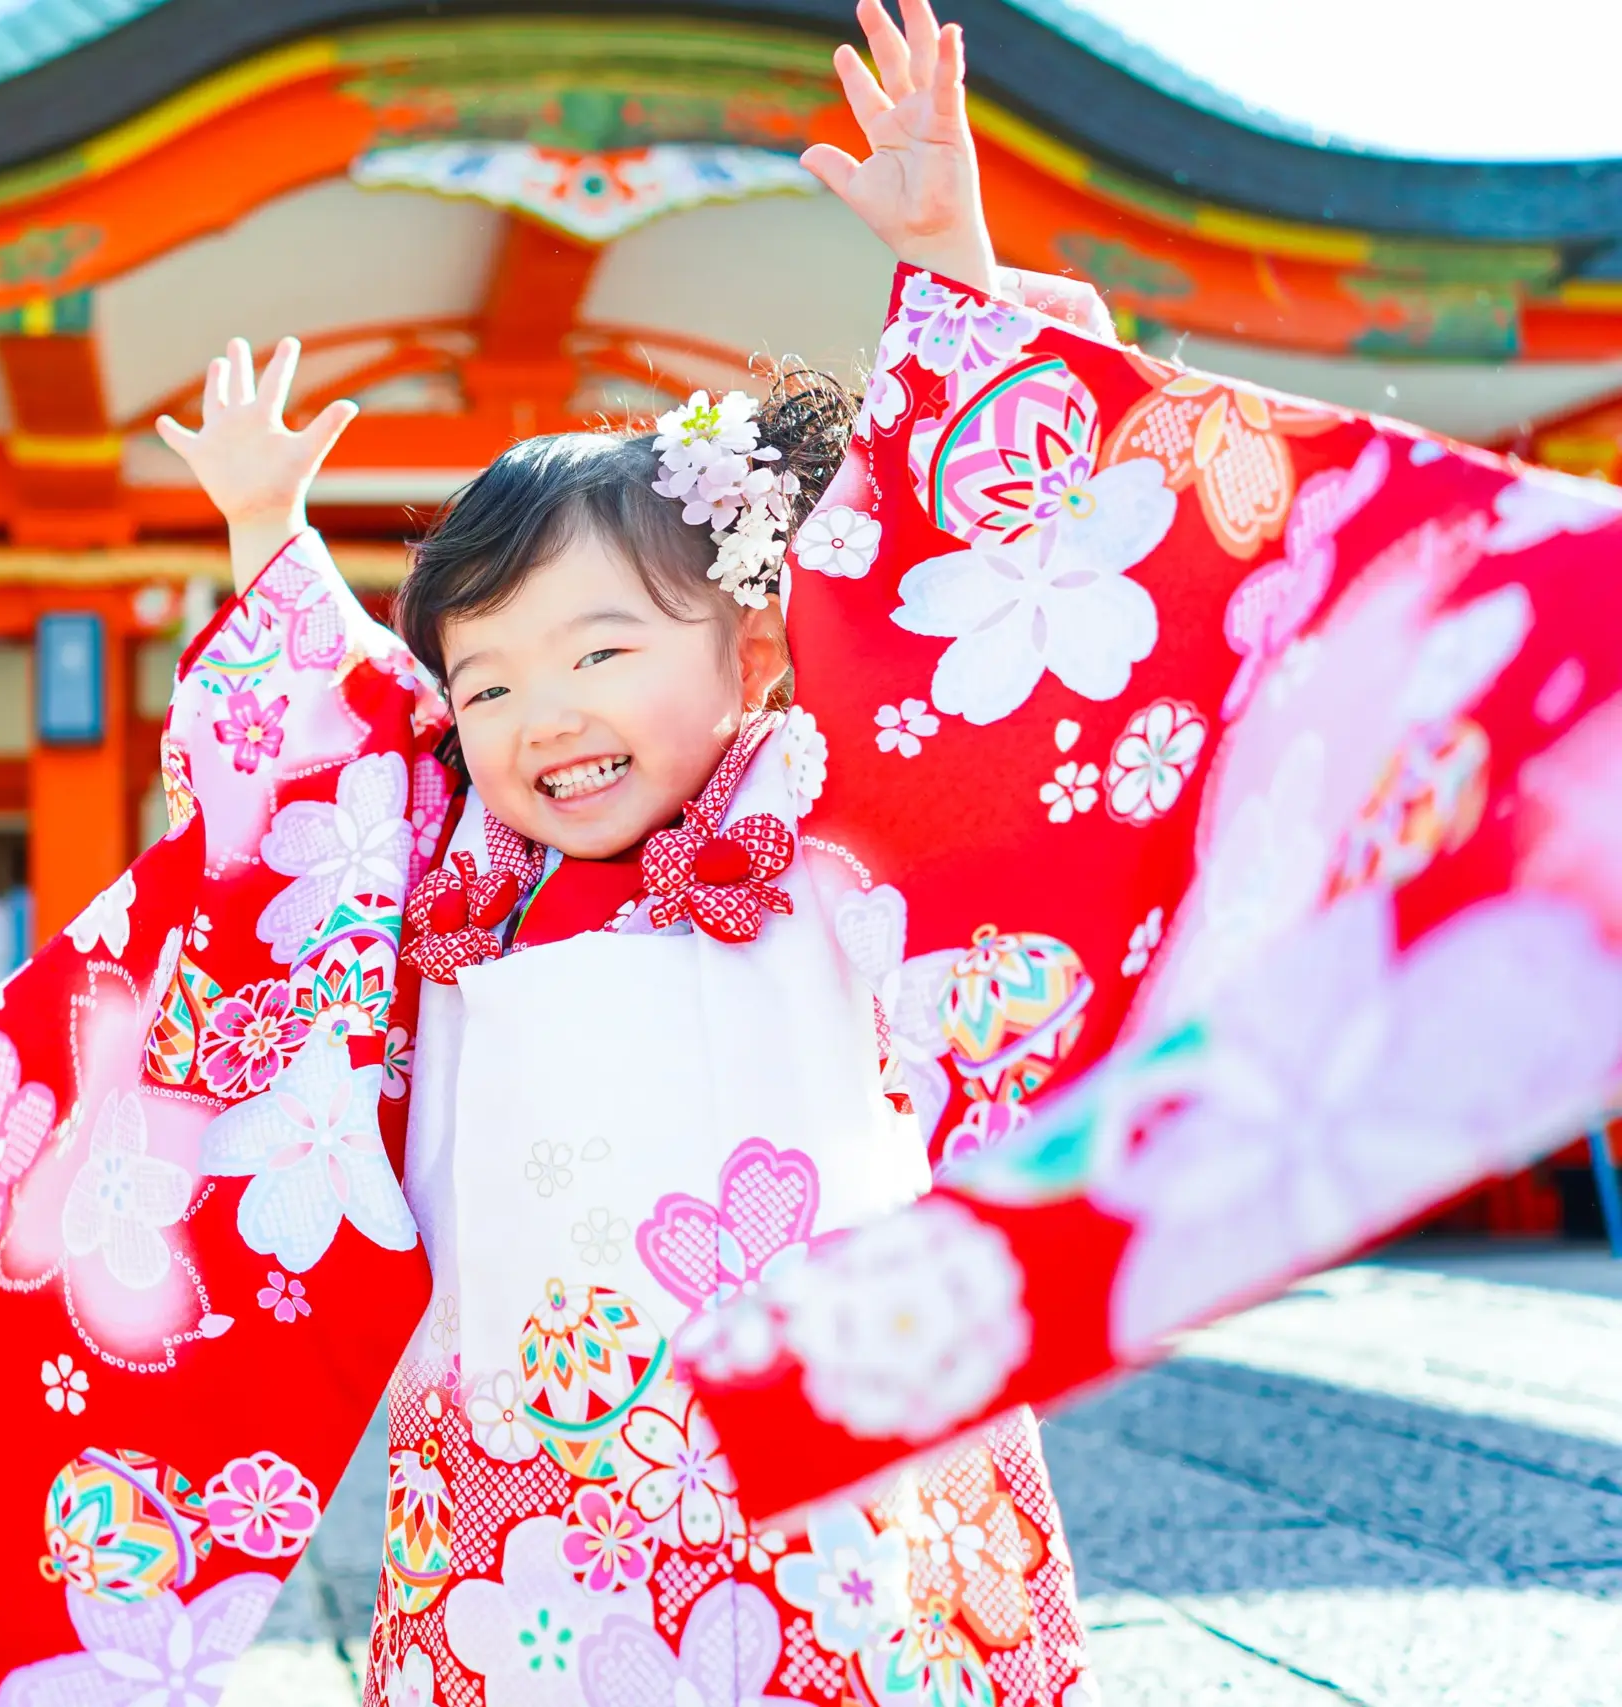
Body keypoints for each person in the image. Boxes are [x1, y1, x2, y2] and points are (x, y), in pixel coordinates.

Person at [140, 7, 1100, 1701]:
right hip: (532, 1437)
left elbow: (979, 616)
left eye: (600, 652)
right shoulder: (443, 878)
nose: (539, 716)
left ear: (753, 644)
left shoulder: (820, 815)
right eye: (487, 678)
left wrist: (954, 259)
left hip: (832, 1396)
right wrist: (262, 540)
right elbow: (314, 748)